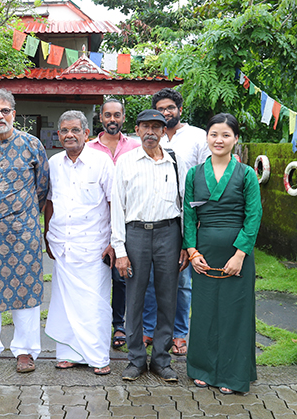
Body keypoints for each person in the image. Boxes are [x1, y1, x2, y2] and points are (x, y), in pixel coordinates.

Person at [0, 88, 49, 373]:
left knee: (26, 292)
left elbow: (43, 187)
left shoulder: (32, 145)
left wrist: (25, 217)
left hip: (23, 233)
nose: (0, 115)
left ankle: (25, 351)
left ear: (14, 114)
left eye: (5, 110)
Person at [184, 113, 262, 394]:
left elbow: (253, 216)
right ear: (207, 137)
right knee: (204, 312)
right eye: (214, 134)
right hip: (204, 252)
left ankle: (233, 375)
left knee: (234, 312)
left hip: (236, 253)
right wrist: (192, 252)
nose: (219, 140)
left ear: (235, 139)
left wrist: (240, 254)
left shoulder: (247, 174)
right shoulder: (194, 173)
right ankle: (202, 369)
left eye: (226, 135)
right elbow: (189, 217)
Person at [111, 109, 189, 382]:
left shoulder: (175, 163)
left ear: (164, 131)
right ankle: (135, 359)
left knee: (168, 296)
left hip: (169, 234)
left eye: (157, 127)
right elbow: (117, 209)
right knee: (135, 298)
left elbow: (184, 206)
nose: (151, 132)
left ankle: (161, 360)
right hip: (136, 235)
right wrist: (120, 250)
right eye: (146, 127)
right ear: (137, 129)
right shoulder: (126, 162)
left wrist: (185, 244)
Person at [44, 110, 115, 375]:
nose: (69, 135)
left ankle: (98, 357)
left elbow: (114, 203)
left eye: (75, 130)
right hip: (63, 245)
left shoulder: (101, 162)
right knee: (64, 302)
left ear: (86, 133)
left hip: (94, 247)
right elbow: (49, 202)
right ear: (59, 134)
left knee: (92, 304)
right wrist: (46, 233)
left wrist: (115, 242)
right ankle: (69, 354)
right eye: (64, 130)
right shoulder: (53, 163)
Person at [142, 88, 211, 355]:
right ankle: (149, 329)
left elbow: (205, 175)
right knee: (149, 279)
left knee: (182, 280)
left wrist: (197, 222)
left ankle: (179, 333)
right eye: (161, 109)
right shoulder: (151, 135)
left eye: (171, 108)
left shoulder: (196, 137)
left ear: (180, 110)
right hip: (152, 217)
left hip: (184, 217)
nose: (166, 112)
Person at [86, 98, 141, 350]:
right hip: (96, 223)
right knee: (96, 277)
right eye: (107, 115)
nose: (112, 120)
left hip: (129, 221)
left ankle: (119, 324)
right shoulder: (89, 149)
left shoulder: (136, 146)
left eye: (117, 115)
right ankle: (96, 324)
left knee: (121, 276)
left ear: (123, 118)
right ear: (100, 118)